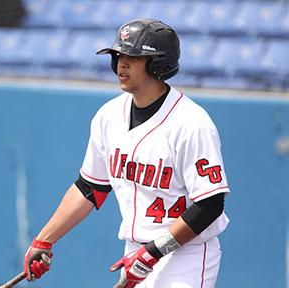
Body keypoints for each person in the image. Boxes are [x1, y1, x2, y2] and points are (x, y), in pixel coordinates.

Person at [23, 18, 230, 288]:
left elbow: (210, 205)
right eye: (118, 55)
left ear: (157, 63)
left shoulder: (191, 124)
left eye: (133, 56)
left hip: (186, 255)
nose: (122, 62)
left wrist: (153, 252)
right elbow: (90, 188)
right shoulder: (108, 116)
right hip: (134, 254)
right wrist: (44, 239)